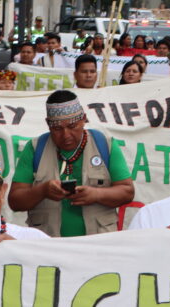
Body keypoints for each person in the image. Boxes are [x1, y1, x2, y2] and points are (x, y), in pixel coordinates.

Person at [8, 90, 134, 237]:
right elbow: (15, 201)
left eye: (72, 126)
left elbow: (127, 192)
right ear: (48, 124)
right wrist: (42, 191)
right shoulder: (35, 149)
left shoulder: (105, 145)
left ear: (84, 119)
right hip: (48, 247)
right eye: (57, 129)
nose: (66, 135)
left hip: (98, 247)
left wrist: (96, 194)